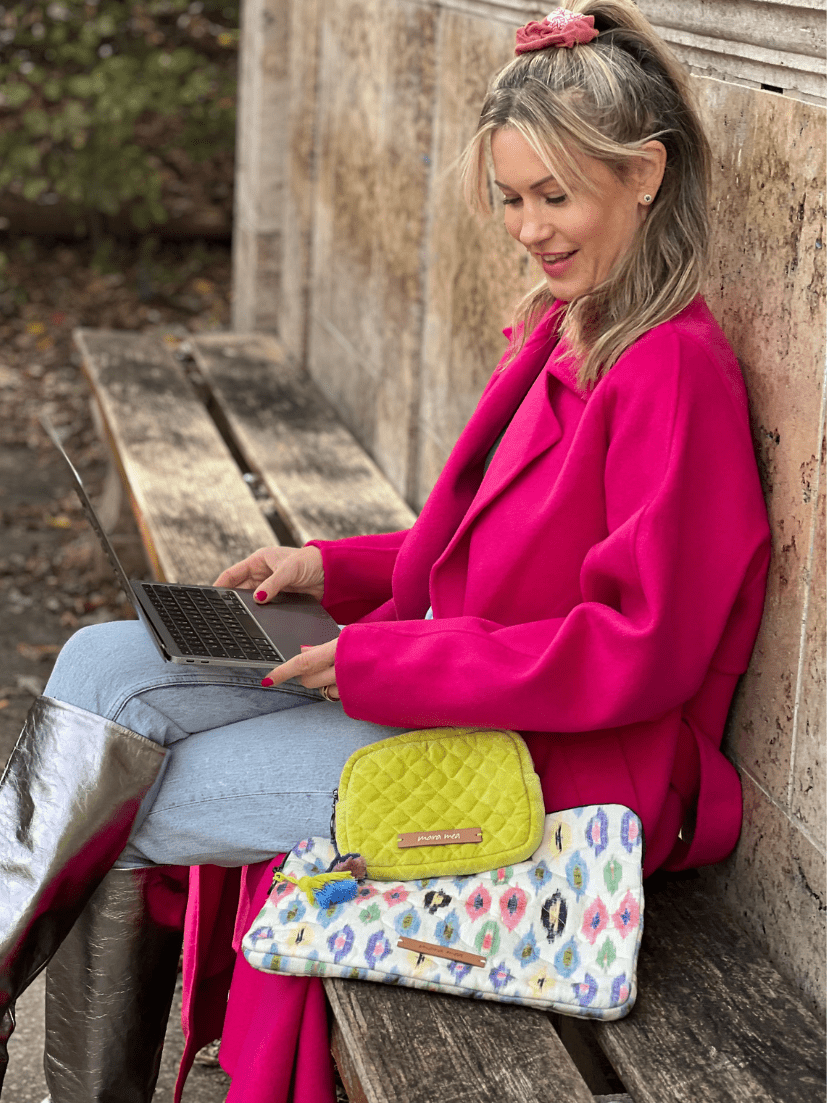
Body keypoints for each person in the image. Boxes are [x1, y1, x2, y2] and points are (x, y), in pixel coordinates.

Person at [0, 2, 770, 1099]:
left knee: (117, 808)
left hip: (551, 761)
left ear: (643, 174)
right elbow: (493, 543)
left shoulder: (669, 370)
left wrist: (377, 661)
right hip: (446, 681)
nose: (527, 228)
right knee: (97, 663)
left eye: (555, 195)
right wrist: (331, 569)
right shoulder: (571, 323)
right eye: (509, 198)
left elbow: (636, 648)